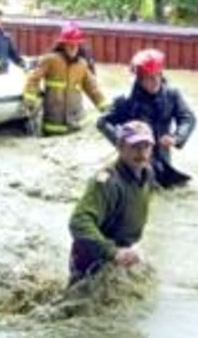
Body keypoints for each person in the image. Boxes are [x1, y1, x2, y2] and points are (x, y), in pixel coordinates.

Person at [68, 120, 159, 285]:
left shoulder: (148, 173)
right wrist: (112, 253)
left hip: (123, 250)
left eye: (146, 146)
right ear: (120, 147)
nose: (142, 152)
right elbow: (79, 221)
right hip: (92, 256)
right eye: (135, 146)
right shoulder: (107, 181)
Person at [97, 48, 197, 188]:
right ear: (139, 79)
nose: (154, 81)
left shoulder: (172, 95)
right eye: (148, 77)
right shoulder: (126, 100)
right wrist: (121, 142)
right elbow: (102, 122)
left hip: (162, 161)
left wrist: (176, 138)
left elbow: (188, 118)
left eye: (157, 75)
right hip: (133, 162)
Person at [22, 22, 109, 135]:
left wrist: (106, 109)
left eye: (76, 45)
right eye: (69, 45)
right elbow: (33, 79)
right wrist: (30, 100)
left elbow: (93, 89)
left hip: (76, 123)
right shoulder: (50, 60)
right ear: (63, 45)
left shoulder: (82, 64)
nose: (73, 48)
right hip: (53, 123)